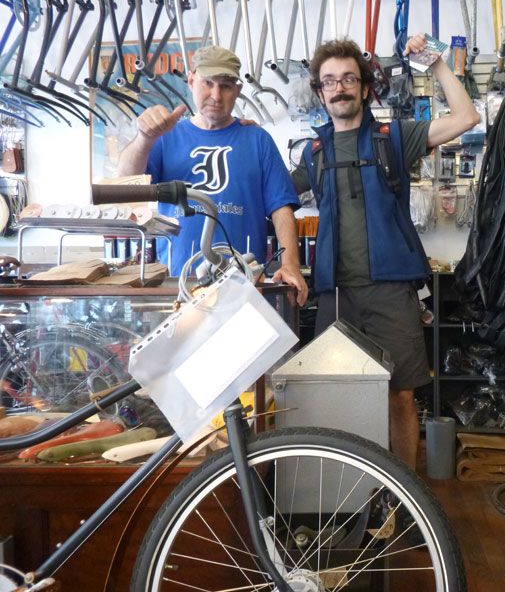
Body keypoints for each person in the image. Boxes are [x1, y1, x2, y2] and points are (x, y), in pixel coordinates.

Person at [291, 35, 480, 469]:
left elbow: (467, 117)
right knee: (334, 398)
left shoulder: (393, 137)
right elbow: (273, 195)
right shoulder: (313, 153)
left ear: (364, 88)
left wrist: (436, 63)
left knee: (401, 395)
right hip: (335, 295)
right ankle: (347, 491)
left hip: (391, 292)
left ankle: (404, 494)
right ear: (320, 92)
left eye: (349, 79)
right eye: (329, 81)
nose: (339, 88)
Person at [117, 45, 308, 305]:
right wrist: (144, 138)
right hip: (178, 285)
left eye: (226, 86)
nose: (216, 95)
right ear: (191, 80)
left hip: (244, 285)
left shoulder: (258, 140)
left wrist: (291, 265)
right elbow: (125, 183)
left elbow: (281, 208)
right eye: (208, 83)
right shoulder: (166, 137)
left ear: (238, 91)